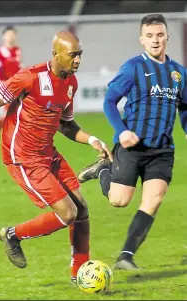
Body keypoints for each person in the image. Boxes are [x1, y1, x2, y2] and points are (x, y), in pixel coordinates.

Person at [0, 31, 112, 283]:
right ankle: (12, 234)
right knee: (67, 214)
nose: (78, 61)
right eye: (73, 55)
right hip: (22, 157)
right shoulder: (30, 77)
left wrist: (92, 140)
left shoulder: (70, 84)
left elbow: (66, 125)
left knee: (82, 209)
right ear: (56, 54)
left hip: (48, 153)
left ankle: (79, 274)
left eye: (80, 55)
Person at [78, 13, 187, 270]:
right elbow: (109, 101)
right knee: (119, 200)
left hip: (162, 150)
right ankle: (104, 169)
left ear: (167, 37)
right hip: (132, 146)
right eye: (149, 36)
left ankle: (126, 256)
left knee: (154, 199)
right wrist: (122, 131)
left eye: (160, 35)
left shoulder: (179, 73)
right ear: (142, 40)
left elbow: (185, 107)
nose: (155, 40)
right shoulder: (133, 68)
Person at [0, 25, 22, 145]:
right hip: (6, 86)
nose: (11, 37)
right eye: (8, 35)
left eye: (13, 34)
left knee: (16, 112)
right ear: (4, 37)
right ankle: (1, 134)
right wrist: (4, 83)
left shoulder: (17, 50)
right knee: (11, 112)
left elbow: (19, 67)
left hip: (18, 85)